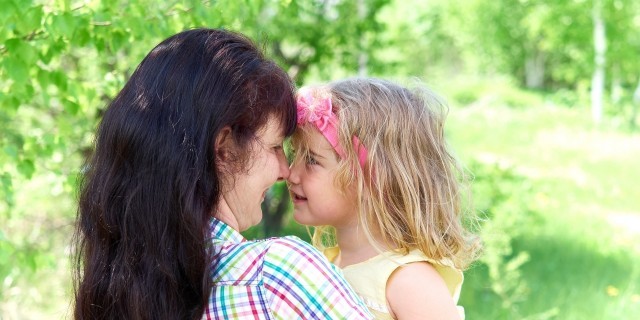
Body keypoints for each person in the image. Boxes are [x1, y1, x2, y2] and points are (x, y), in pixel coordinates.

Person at [73, 28, 372, 319]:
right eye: (274, 147)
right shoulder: (275, 277)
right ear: (224, 148)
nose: (285, 171)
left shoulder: (115, 291)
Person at [287, 78, 481, 319]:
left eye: (312, 160)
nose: (291, 173)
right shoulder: (324, 264)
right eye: (294, 154)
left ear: (374, 177)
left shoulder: (409, 281)